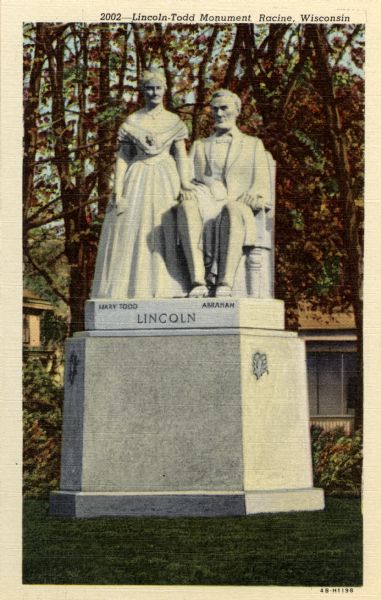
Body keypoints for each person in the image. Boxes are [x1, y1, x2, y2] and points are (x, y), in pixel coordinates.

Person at [91, 67, 195, 299]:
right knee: (133, 228)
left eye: (158, 88)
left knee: (165, 226)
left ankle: (169, 286)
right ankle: (132, 288)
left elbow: (181, 155)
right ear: (142, 91)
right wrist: (118, 191)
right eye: (149, 88)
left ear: (165, 90)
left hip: (166, 178)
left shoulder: (174, 121)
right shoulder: (133, 121)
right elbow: (123, 157)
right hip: (138, 178)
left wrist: (185, 184)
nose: (154, 92)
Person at [177, 89, 272, 298]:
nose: (219, 114)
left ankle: (225, 283)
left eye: (224, 108)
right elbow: (187, 181)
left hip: (238, 206)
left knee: (231, 209)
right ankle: (198, 281)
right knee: (186, 207)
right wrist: (185, 192)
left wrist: (255, 195)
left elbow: (262, 184)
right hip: (205, 202)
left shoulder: (253, 145)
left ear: (237, 111)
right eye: (215, 109)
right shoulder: (200, 145)